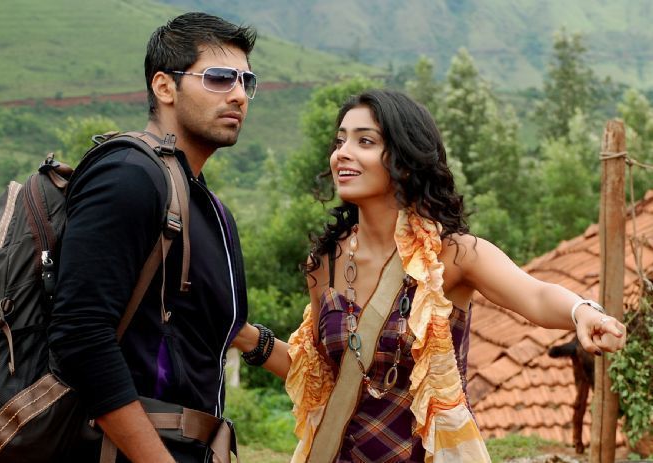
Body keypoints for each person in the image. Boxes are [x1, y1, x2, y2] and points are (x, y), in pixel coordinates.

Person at [232, 89, 627, 462]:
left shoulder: (450, 255)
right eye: (340, 141)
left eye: (364, 141)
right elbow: (320, 374)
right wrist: (245, 336)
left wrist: (581, 312)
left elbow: (536, 295)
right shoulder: (325, 264)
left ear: (404, 162)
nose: (342, 154)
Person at [48, 12, 257, 462]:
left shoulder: (203, 204)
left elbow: (210, 330)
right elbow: (80, 334)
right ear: (164, 86)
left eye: (246, 81)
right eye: (219, 78)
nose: (239, 95)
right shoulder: (129, 176)